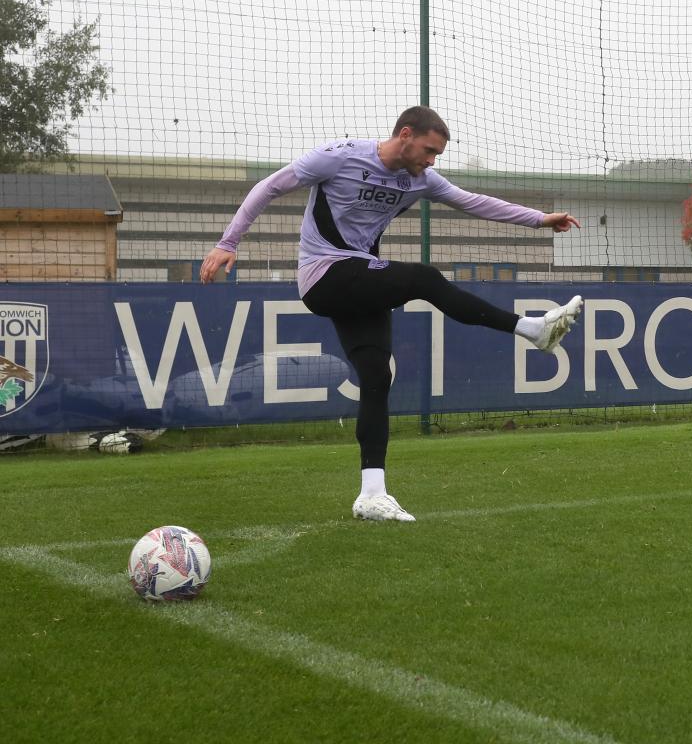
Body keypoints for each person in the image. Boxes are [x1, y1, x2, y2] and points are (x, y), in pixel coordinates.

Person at [200, 106, 583, 523]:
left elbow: (473, 203)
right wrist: (228, 242)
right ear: (405, 134)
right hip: (324, 274)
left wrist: (540, 220)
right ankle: (530, 329)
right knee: (424, 277)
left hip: (360, 280)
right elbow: (270, 186)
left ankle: (372, 494)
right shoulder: (340, 157)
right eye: (429, 150)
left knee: (377, 377)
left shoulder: (419, 180)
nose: (432, 160)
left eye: (437, 154)